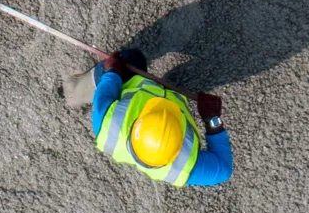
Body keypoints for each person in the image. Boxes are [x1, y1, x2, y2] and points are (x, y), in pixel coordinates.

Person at [63, 49, 233, 186]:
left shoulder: (107, 120)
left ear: (138, 123)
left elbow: (109, 82)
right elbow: (224, 168)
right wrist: (212, 120)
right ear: (179, 142)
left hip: (134, 90)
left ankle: (74, 90)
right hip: (165, 97)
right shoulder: (183, 166)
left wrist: (114, 68)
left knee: (130, 58)